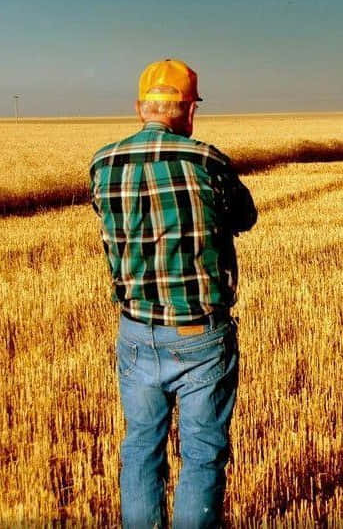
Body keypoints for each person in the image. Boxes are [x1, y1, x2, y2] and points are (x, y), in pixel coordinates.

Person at [90, 59, 257, 528]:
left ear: (140, 108)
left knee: (141, 447)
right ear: (188, 111)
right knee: (202, 454)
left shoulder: (103, 163)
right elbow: (245, 217)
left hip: (137, 332)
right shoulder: (208, 160)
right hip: (200, 333)